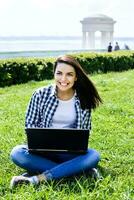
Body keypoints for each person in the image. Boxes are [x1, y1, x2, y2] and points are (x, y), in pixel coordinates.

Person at [10, 55, 102, 188]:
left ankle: (36, 179)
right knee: (17, 153)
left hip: (70, 154)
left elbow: (85, 131)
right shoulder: (40, 94)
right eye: (59, 73)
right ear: (54, 74)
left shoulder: (83, 98)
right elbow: (30, 126)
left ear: (76, 77)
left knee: (94, 155)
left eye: (69, 74)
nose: (63, 79)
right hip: (43, 153)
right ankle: (79, 171)